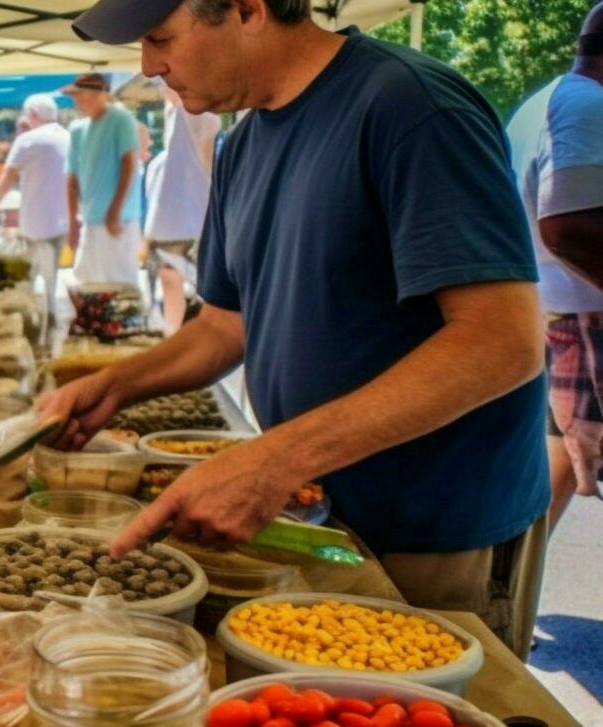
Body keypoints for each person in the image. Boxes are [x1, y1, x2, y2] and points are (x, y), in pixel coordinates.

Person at [49, 0, 548, 625]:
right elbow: (224, 326)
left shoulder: (410, 107)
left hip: (435, 533)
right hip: (317, 507)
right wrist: (113, 386)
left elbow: (503, 341)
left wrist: (275, 460)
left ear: (248, 9)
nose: (150, 66)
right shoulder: (242, 145)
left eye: (160, 37)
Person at [507, 2, 603, 530]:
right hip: (585, 319)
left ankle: (511, 596)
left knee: (554, 471)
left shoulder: (547, 99)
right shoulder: (587, 105)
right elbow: (567, 227)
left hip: (556, 315)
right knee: (559, 467)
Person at [0, 94, 71, 315]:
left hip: (36, 225)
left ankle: (33, 324)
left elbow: (7, 177)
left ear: (32, 115)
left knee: (28, 281)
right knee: (51, 280)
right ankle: (49, 319)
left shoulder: (28, 140)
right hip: (62, 222)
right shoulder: (68, 137)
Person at [144, 83, 222, 330]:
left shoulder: (192, 114)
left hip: (185, 214)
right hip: (183, 214)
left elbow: (207, 161)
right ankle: (177, 332)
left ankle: (178, 332)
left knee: (176, 276)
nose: (162, 89)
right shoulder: (180, 114)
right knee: (173, 276)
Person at [64, 72, 143, 287]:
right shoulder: (77, 130)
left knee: (120, 290)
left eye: (79, 94)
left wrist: (114, 211)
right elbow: (71, 179)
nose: (76, 100)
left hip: (118, 222)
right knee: (85, 285)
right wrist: (73, 221)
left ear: (97, 94)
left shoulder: (121, 119)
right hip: (91, 221)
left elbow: (130, 163)